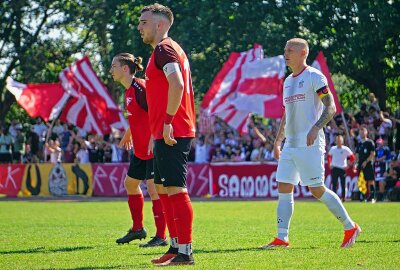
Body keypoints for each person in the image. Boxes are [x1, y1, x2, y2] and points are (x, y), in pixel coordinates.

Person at [262, 38, 361, 249]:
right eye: (285, 49)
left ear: (303, 53)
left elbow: (331, 107)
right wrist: (278, 141)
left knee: (317, 190)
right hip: (290, 145)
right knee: (284, 186)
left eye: (290, 50)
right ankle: (282, 238)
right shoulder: (288, 81)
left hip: (310, 144)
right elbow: (286, 114)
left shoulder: (314, 76)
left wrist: (316, 127)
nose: (286, 53)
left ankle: (350, 226)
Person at [138, 3, 196, 265]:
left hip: (175, 129)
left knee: (174, 187)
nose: (140, 27)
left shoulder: (164, 48)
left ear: (160, 25)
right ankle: (174, 247)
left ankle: (185, 252)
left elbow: (177, 84)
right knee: (163, 188)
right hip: (165, 130)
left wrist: (168, 121)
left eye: (144, 22)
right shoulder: (164, 50)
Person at [110, 52, 168, 248]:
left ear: (125, 69)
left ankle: (161, 236)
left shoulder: (140, 87)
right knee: (130, 184)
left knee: (154, 190)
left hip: (152, 148)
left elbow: (156, 112)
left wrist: (154, 137)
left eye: (114, 66)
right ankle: (138, 229)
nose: (111, 70)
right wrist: (128, 133)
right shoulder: (128, 92)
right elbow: (138, 116)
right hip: (140, 150)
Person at [327, 134, 355, 201]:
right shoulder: (333, 149)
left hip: (342, 168)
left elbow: (352, 157)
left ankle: (343, 198)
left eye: (340, 140)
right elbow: (328, 156)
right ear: (336, 141)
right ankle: (334, 198)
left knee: (343, 184)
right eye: (337, 140)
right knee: (334, 184)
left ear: (342, 141)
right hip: (334, 168)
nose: (339, 142)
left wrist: (349, 165)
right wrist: (330, 163)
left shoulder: (345, 149)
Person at [356, 126, 376, 202]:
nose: (361, 132)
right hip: (360, 165)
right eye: (360, 131)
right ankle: (363, 196)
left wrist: (366, 162)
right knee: (362, 181)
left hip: (368, 164)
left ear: (366, 132)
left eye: (363, 131)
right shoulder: (359, 143)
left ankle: (372, 196)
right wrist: (356, 163)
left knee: (370, 180)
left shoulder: (370, 142)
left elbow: (372, 154)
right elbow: (357, 155)